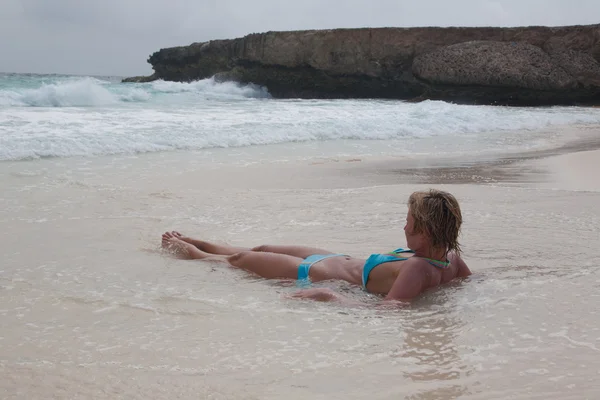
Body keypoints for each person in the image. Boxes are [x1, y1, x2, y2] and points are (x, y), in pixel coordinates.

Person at [161, 189, 471, 303]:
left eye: (410, 223)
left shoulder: (417, 267)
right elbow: (470, 282)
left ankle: (193, 252)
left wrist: (329, 296)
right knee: (263, 246)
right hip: (337, 257)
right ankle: (204, 242)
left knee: (242, 259)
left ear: (428, 231)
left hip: (317, 271)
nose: (404, 226)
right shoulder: (450, 258)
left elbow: (390, 309)